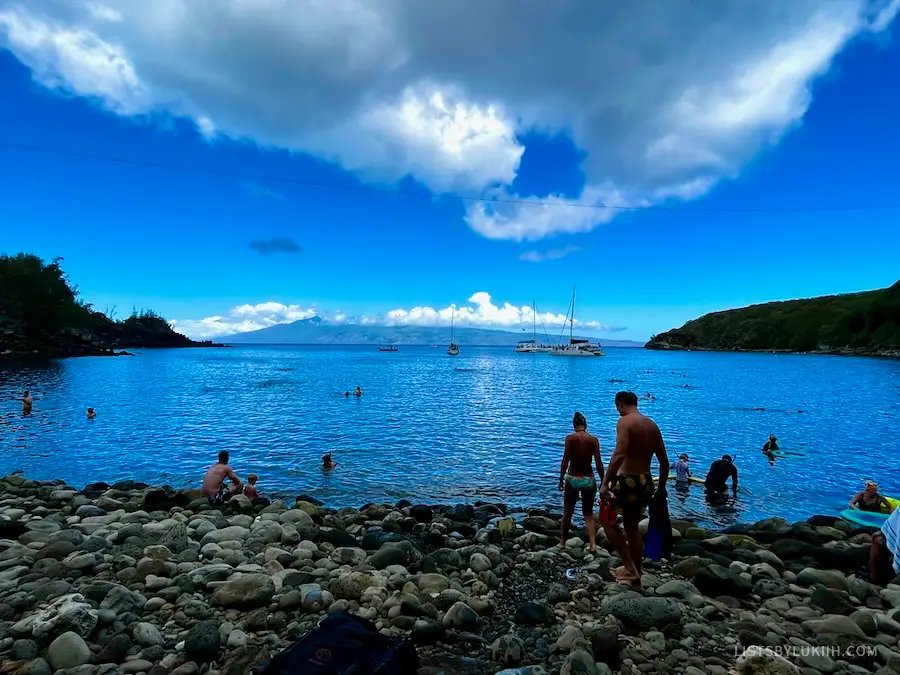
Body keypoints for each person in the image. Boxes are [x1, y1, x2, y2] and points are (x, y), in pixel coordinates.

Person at [600, 391, 669, 587]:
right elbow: (664, 462)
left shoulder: (625, 422)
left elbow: (619, 454)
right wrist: (661, 487)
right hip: (646, 481)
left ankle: (630, 566)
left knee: (606, 520)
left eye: (617, 408)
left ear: (620, 404)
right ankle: (636, 575)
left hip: (627, 480)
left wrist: (605, 483)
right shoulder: (652, 425)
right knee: (631, 526)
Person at [558, 411, 603, 552]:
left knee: (568, 513)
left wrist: (560, 479)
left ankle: (562, 543)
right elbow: (599, 464)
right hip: (588, 479)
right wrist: (604, 481)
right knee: (588, 514)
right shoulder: (593, 440)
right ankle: (593, 545)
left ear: (574, 425)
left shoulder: (570, 438)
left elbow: (565, 461)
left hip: (572, 478)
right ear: (586, 425)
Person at [871, 507, 900, 585]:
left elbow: (890, 508)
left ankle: (875, 578)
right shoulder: (860, 496)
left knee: (877, 539)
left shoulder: (879, 498)